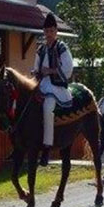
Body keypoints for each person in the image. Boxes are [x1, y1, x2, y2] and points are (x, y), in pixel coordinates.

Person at [32, 12, 74, 167]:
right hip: (42, 84)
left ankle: (47, 147)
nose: (48, 34)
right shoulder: (41, 49)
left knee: (48, 107)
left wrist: (49, 71)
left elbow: (68, 70)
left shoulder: (62, 47)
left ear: (56, 31)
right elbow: (35, 68)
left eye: (51, 31)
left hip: (56, 88)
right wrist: (36, 73)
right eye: (46, 31)